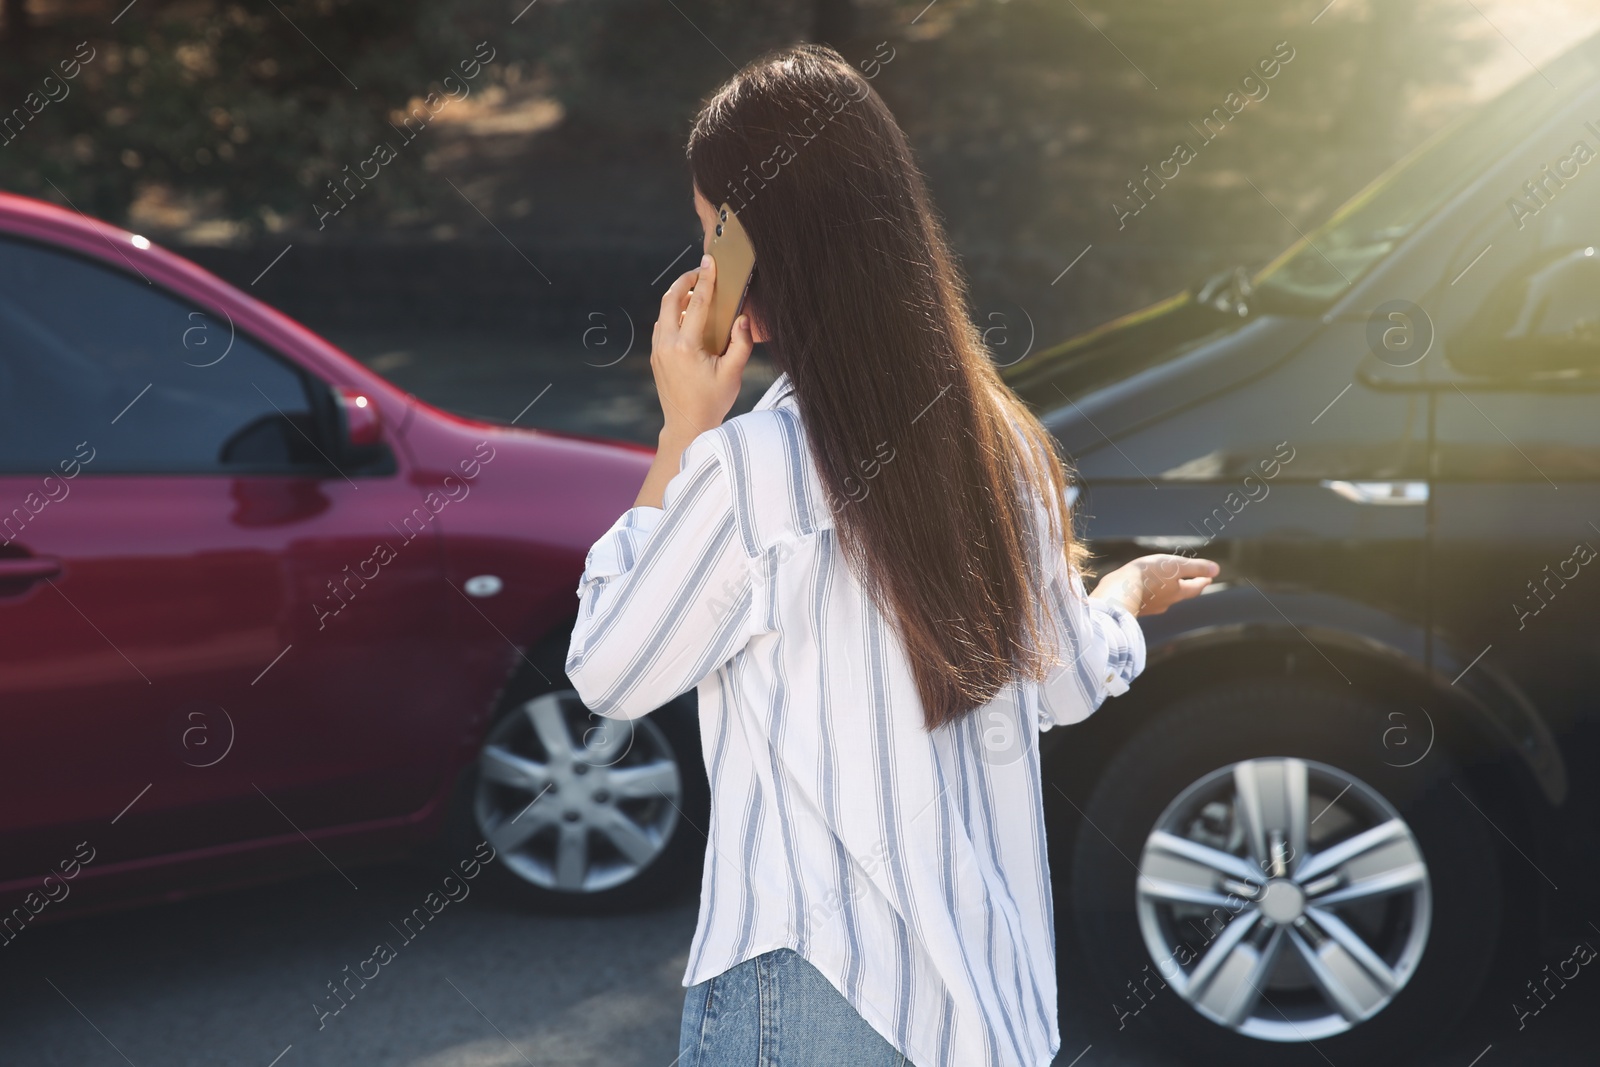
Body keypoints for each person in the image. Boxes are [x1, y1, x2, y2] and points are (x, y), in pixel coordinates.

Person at [565, 43, 1217, 1067]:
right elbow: (1066, 682)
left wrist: (680, 430)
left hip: (805, 981)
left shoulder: (754, 467)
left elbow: (608, 669)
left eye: (711, 236)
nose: (701, 269)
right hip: (976, 1002)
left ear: (761, 254)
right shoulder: (1003, 443)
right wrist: (1123, 598)